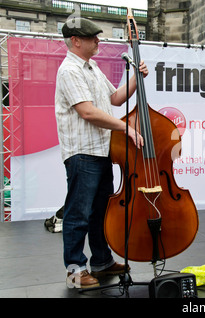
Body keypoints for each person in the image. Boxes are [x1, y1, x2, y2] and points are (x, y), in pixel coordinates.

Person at [55, 17, 147, 288]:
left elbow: (115, 99)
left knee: (99, 213)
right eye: (92, 37)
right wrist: (125, 128)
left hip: (101, 151)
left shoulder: (92, 67)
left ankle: (102, 262)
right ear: (75, 41)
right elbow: (87, 111)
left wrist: (136, 78)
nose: (98, 40)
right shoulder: (69, 70)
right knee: (78, 215)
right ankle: (75, 273)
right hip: (82, 153)